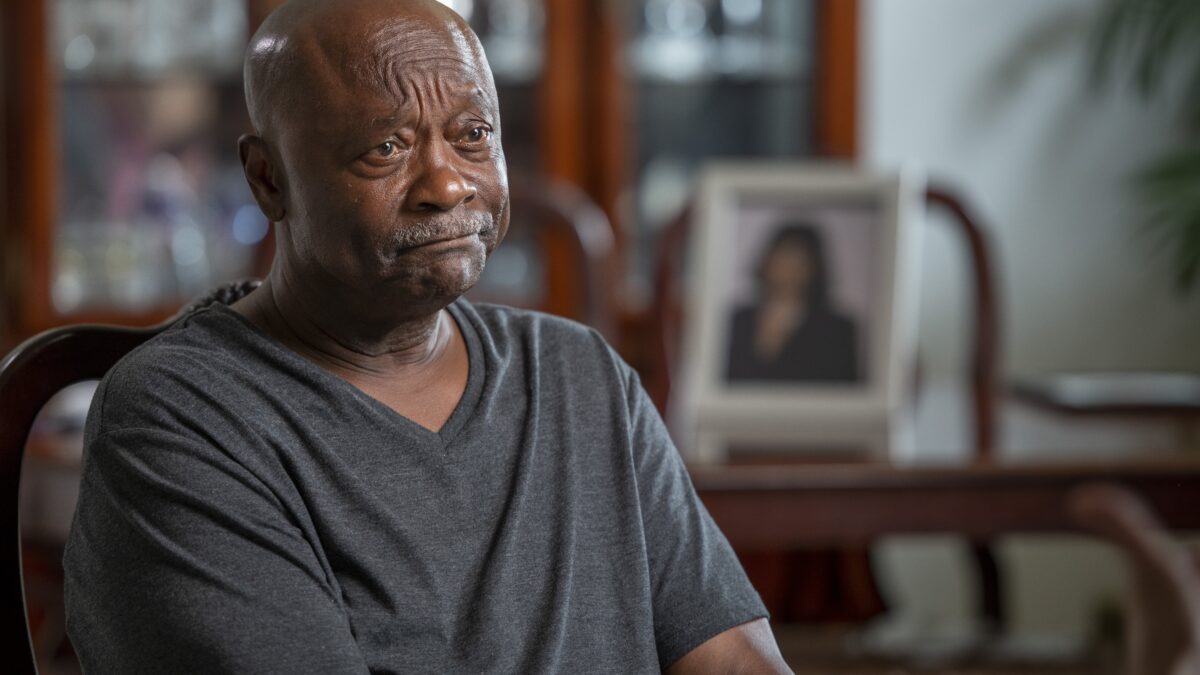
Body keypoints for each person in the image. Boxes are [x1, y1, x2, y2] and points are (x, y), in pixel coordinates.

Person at [62, 1, 790, 673]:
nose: (446, 184)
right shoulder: (183, 418)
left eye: (472, 135)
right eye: (385, 147)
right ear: (267, 179)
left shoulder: (580, 373)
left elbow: (733, 659)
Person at [726, 224, 860, 384]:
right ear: (767, 261)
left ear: (814, 269)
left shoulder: (836, 329)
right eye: (783, 258)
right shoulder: (737, 320)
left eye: (798, 262)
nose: (788, 270)